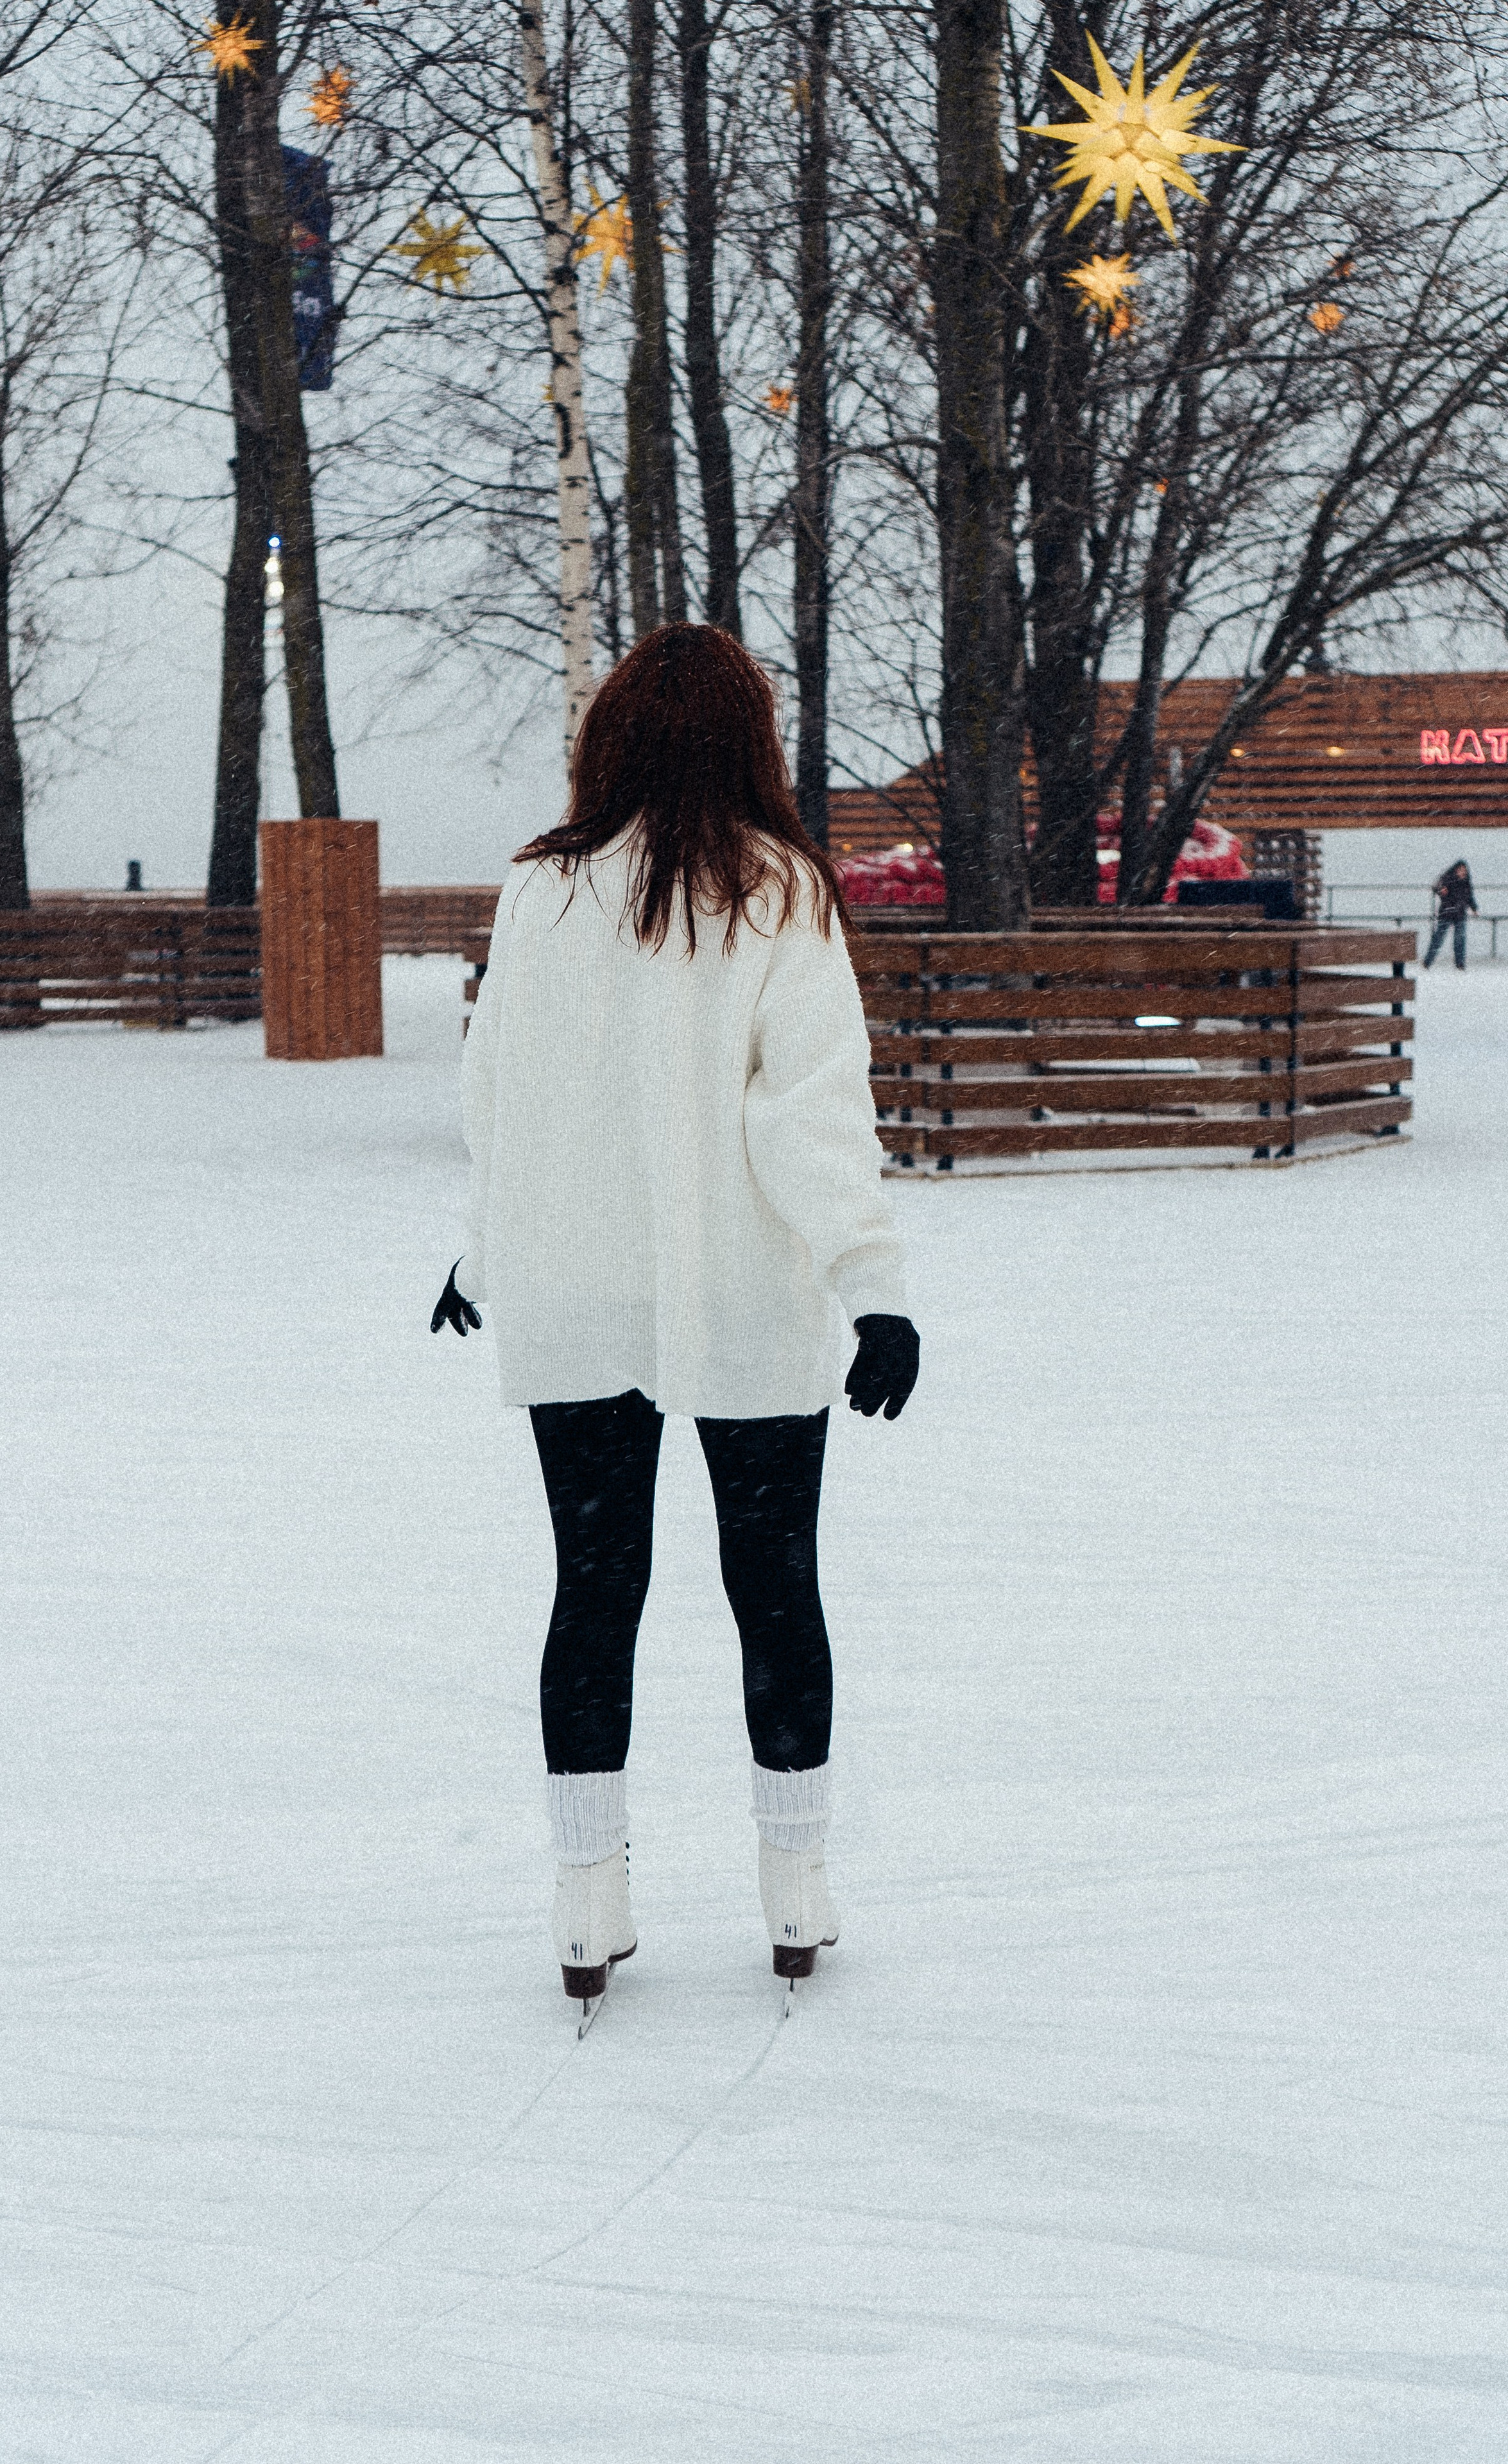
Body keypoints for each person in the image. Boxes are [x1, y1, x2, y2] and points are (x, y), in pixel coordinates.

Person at [431, 624, 918, 2014]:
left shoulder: (543, 895)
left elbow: (497, 1099)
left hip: (578, 1291)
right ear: (749, 742)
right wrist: (868, 1286)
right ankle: (795, 1883)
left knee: (596, 1590)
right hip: (743, 1296)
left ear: (616, 741)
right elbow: (810, 1118)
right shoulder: (780, 893)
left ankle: (587, 1900)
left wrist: (483, 1256)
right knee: (773, 1588)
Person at [1424, 860, 1477, 969]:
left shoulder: (1466, 883)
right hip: (1447, 912)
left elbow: (1469, 897)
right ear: (1456, 870)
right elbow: (1437, 887)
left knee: (1460, 940)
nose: (1462, 873)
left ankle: (1460, 963)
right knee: (1438, 939)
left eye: (1464, 871)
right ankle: (1428, 961)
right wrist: (1441, 890)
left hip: (1460, 913)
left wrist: (1474, 908)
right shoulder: (1448, 879)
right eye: (1460, 870)